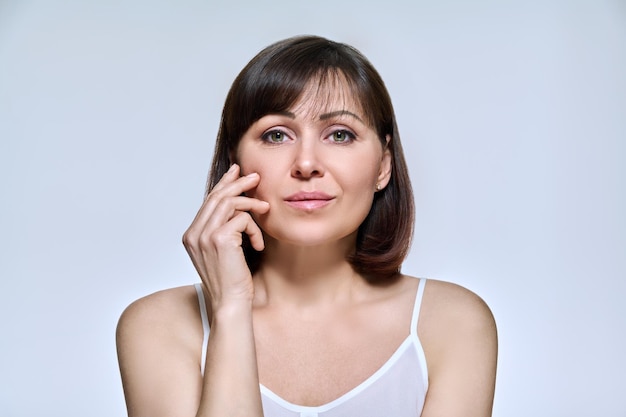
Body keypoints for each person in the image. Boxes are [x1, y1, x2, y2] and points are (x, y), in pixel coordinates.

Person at [116, 35, 497, 417]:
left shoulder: (450, 323)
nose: (307, 163)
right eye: (276, 135)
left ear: (383, 166)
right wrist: (231, 309)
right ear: (235, 161)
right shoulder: (160, 326)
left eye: (340, 135)